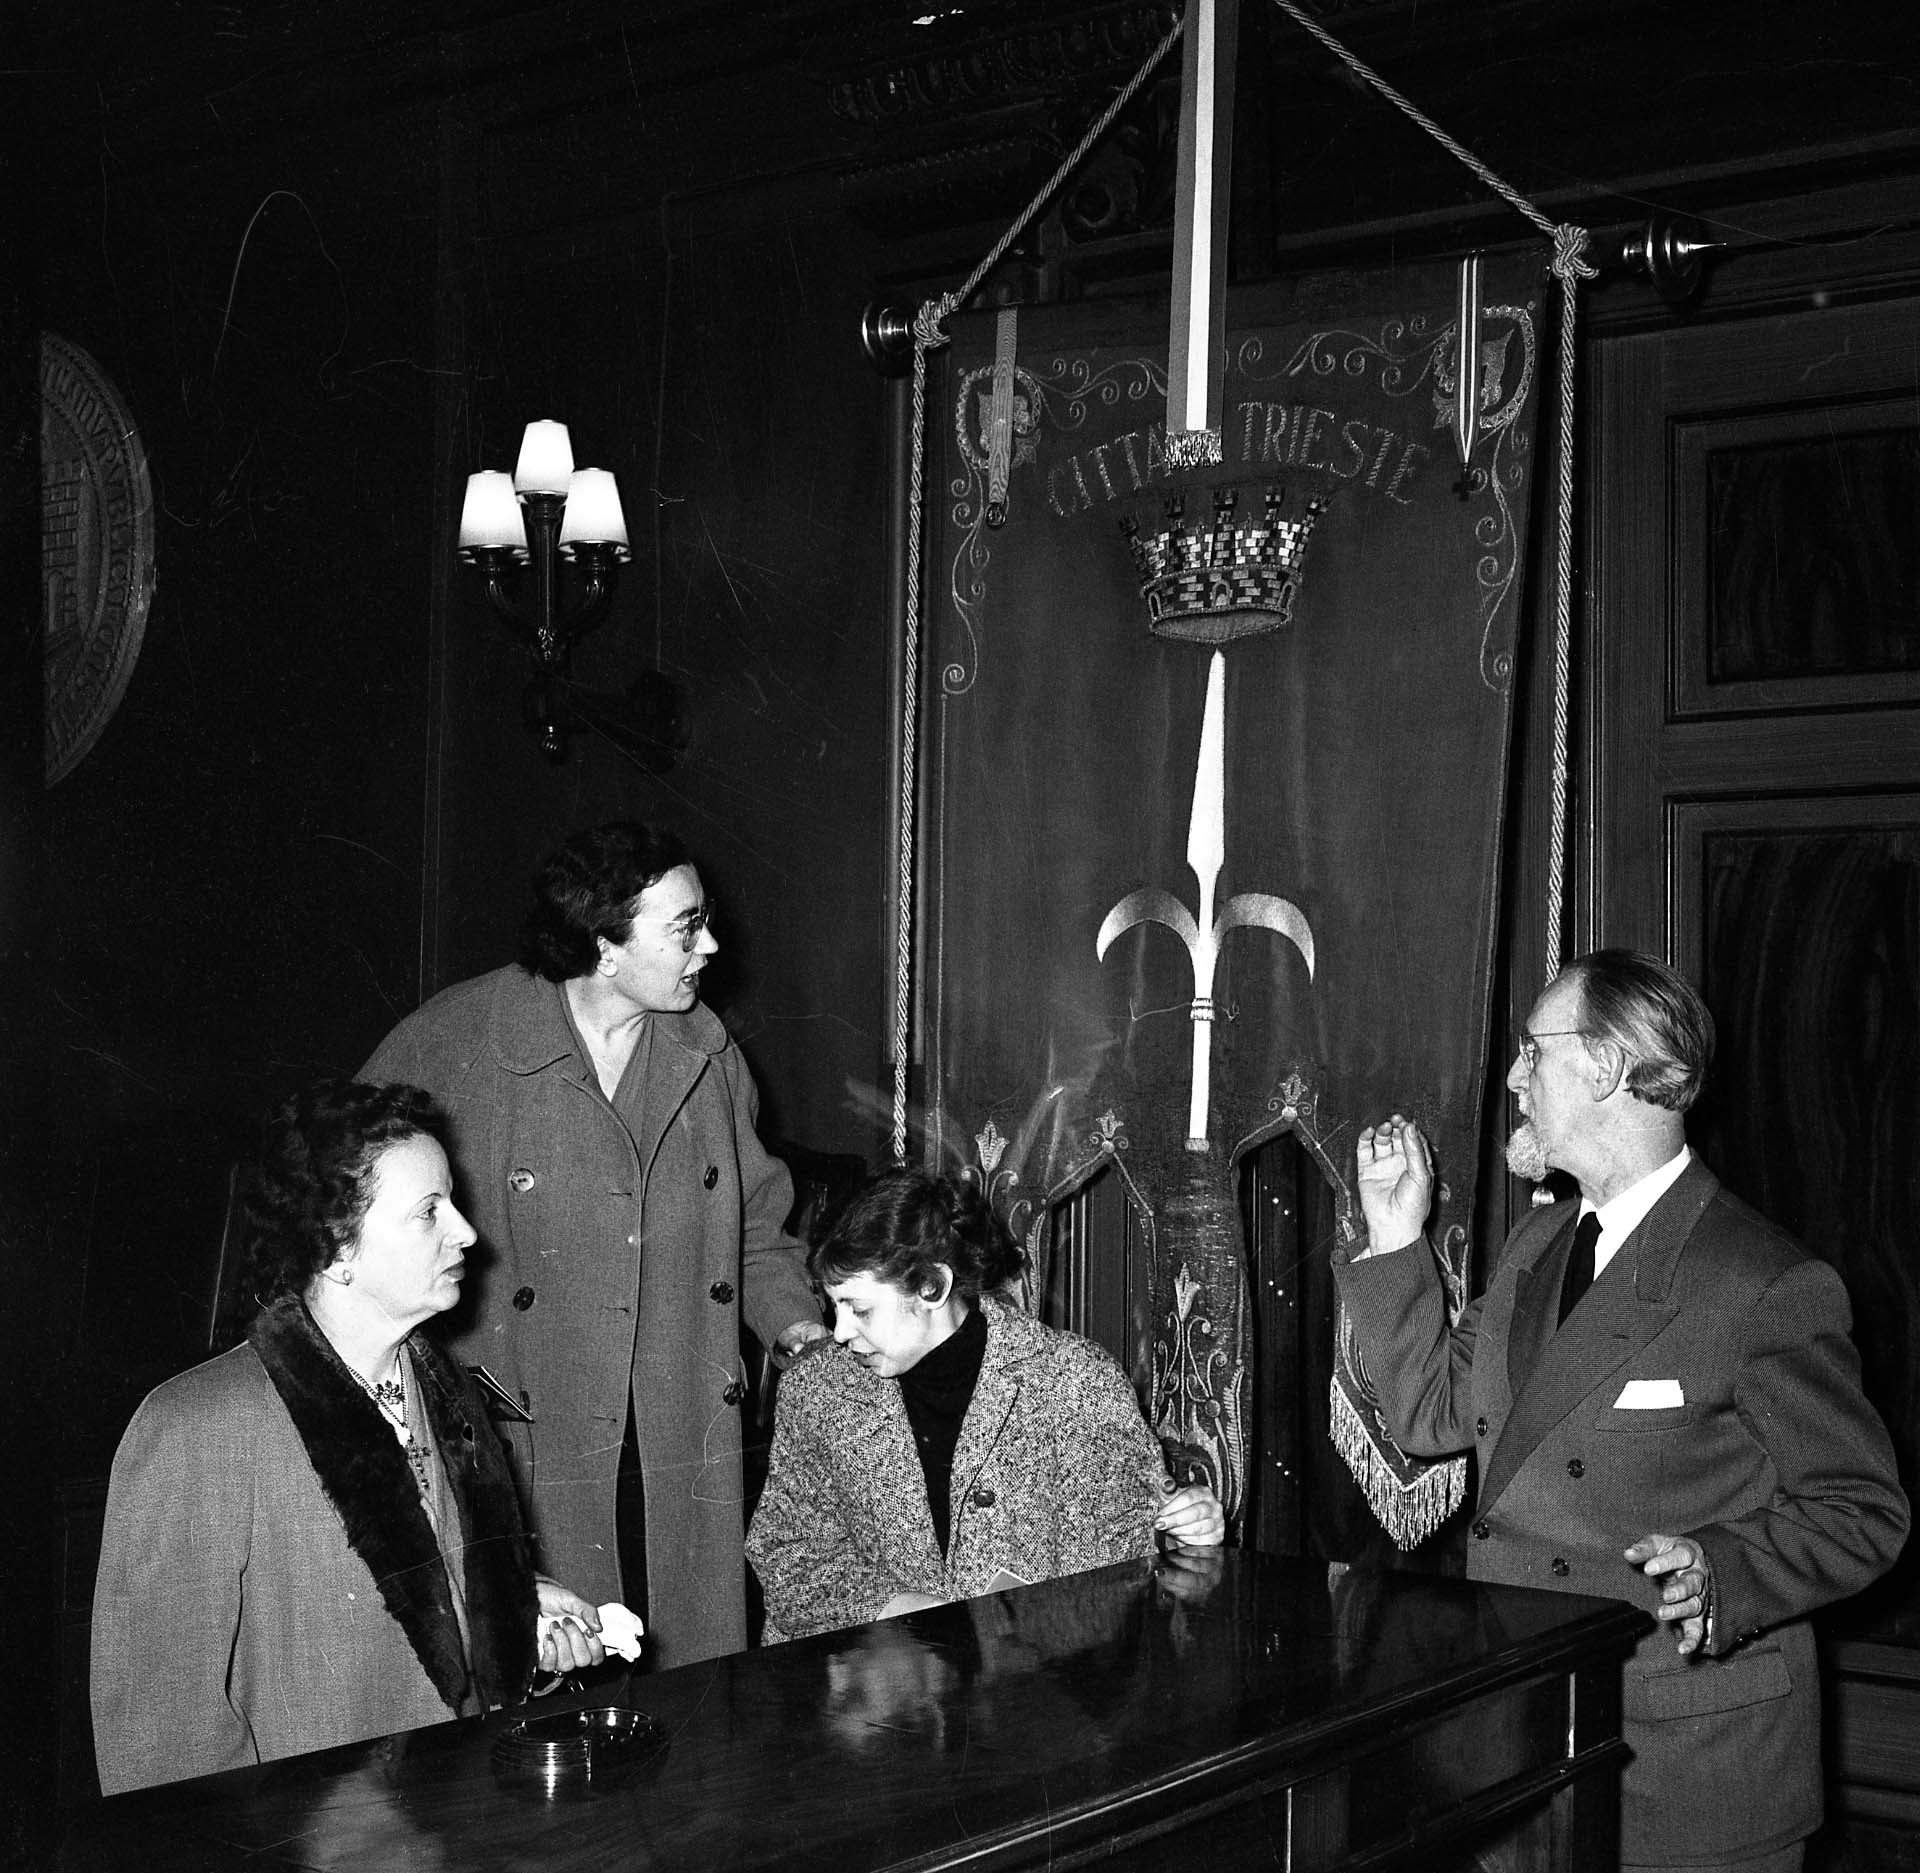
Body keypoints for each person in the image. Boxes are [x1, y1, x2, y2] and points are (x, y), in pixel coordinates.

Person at [1339, 949, 1908, 1872]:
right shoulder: (1536, 1244)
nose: (1514, 1078)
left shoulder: (1763, 1282)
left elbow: (1862, 1510)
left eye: (1533, 1051)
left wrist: (1725, 1570)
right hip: (1523, 1754)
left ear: (1604, 1067)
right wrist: (1397, 1239)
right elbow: (1431, 1416)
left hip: (1685, 1778)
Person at [360, 820, 826, 1667]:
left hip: (678, 1424)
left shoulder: (708, 1055)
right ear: (605, 946)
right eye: (685, 926)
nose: (711, 945)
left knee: (684, 1678)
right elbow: (347, 1213)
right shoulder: (459, 1040)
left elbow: (757, 1230)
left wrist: (803, 1334)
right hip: (525, 1428)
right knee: (551, 1673)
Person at [91, 1082, 604, 1795]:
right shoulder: (197, 1427)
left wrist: (521, 1620)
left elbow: (422, 1626)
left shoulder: (447, 1393)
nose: (466, 1232)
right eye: (429, 1210)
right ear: (336, 1249)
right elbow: (161, 1741)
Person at [746, 1169, 1225, 1643]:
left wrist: (993, 1645)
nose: (840, 1332)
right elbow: (787, 1556)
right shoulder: (817, 1388)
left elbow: (1113, 1591)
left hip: (1039, 1685)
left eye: (860, 1309)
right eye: (834, 1306)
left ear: (933, 1287)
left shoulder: (1074, 1383)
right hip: (862, 1673)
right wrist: (922, 1618)